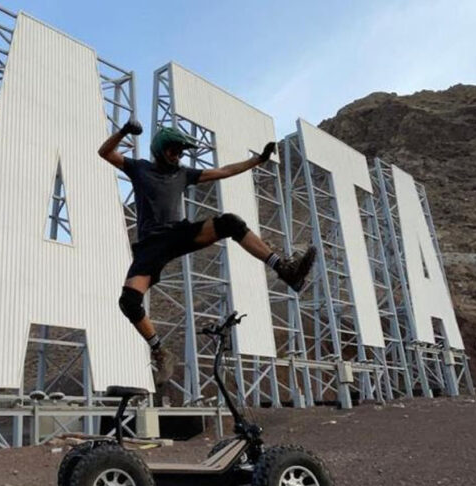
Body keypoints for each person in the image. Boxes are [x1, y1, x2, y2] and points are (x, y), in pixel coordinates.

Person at [98, 118, 317, 385]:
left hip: (179, 234)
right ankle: (160, 351)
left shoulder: (183, 174)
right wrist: (123, 132)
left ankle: (285, 269)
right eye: (174, 150)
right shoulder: (139, 168)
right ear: (160, 150)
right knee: (129, 302)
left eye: (181, 151)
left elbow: (223, 171)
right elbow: (105, 153)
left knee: (231, 223)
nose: (178, 155)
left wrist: (258, 160)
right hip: (150, 246)